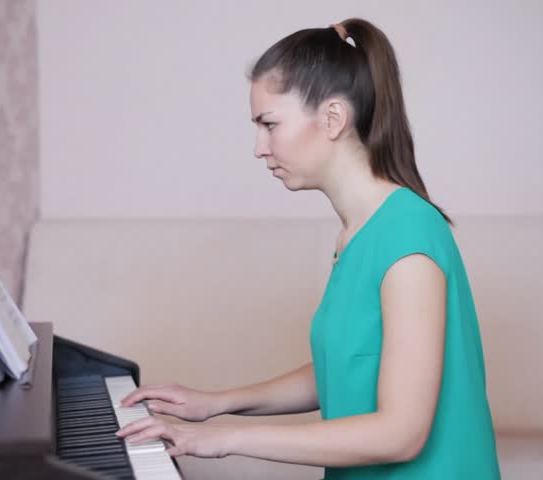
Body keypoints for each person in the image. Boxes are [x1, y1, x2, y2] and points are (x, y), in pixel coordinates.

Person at [116, 17, 501, 479]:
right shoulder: (358, 232)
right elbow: (344, 368)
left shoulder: (409, 237)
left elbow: (401, 434)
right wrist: (217, 403)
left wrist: (226, 439)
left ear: (333, 118)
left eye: (269, 124)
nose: (259, 147)